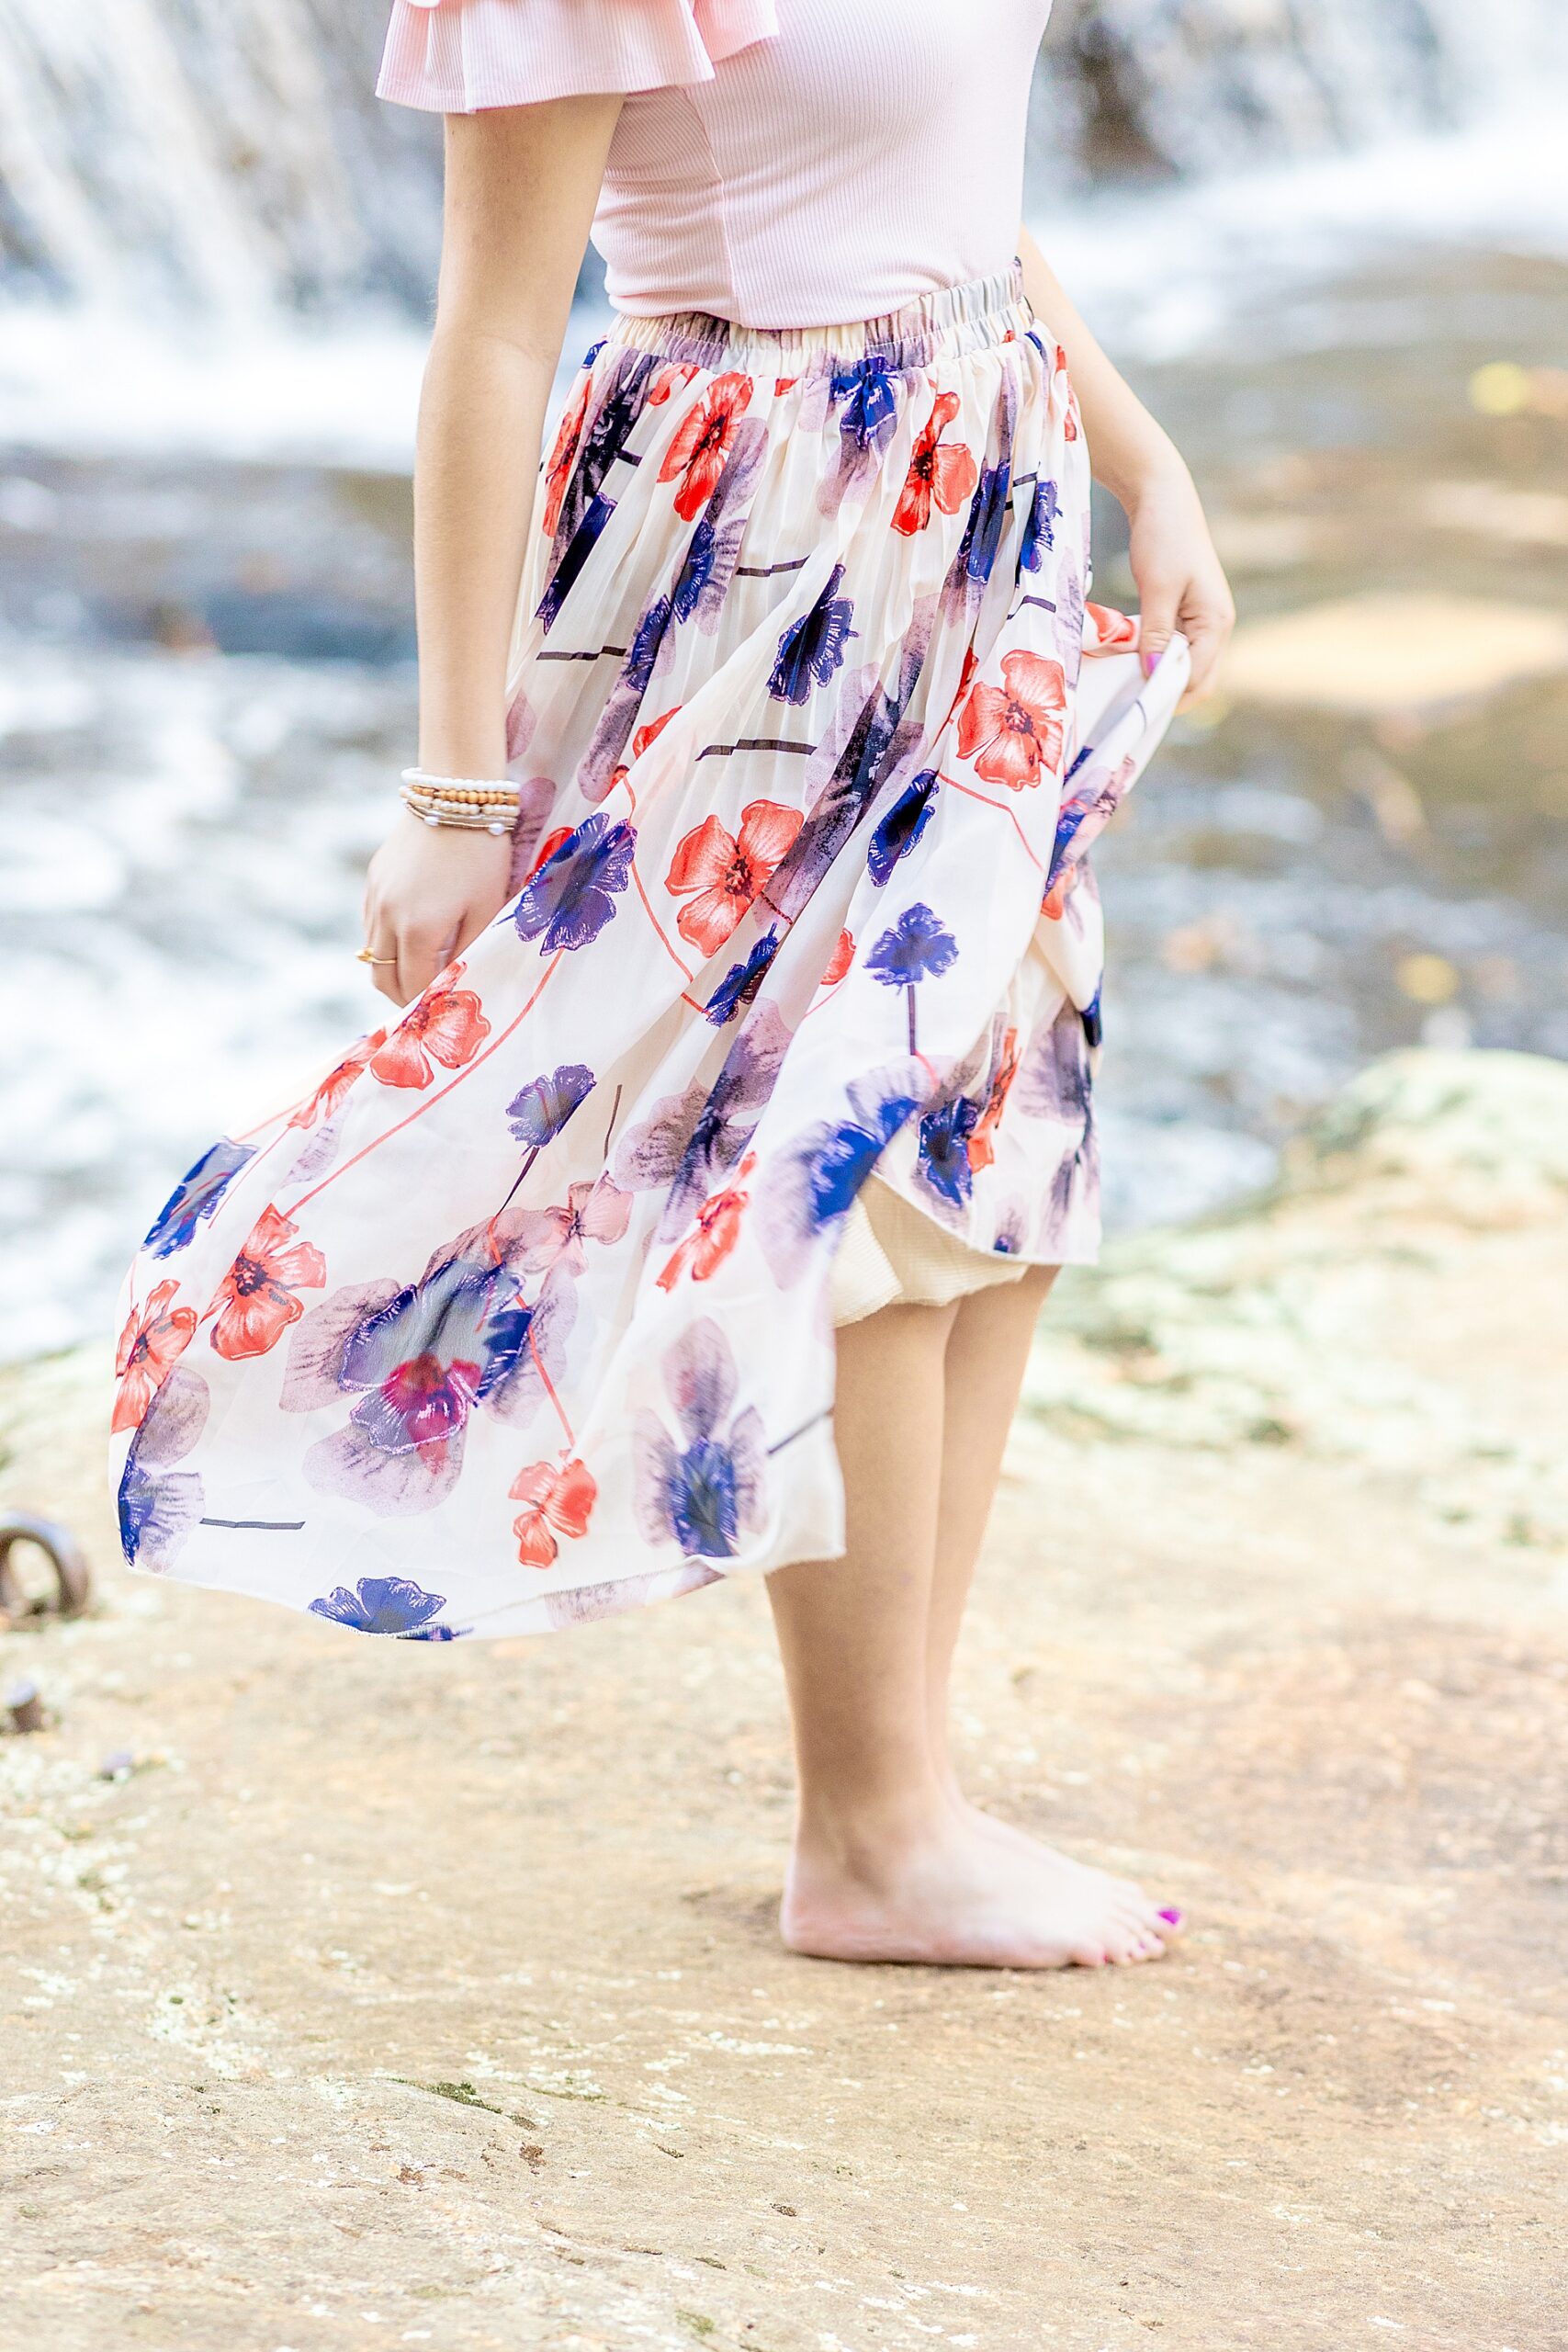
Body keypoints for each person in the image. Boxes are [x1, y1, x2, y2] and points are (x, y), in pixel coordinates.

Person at [110, 0, 1233, 1971]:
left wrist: (1140, 454)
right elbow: (484, 336)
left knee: (1004, 1110)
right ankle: (875, 1827)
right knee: (849, 1149)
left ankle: (906, 1794)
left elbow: (955, 193)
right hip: (765, 550)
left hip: (981, 487)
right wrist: (454, 790)